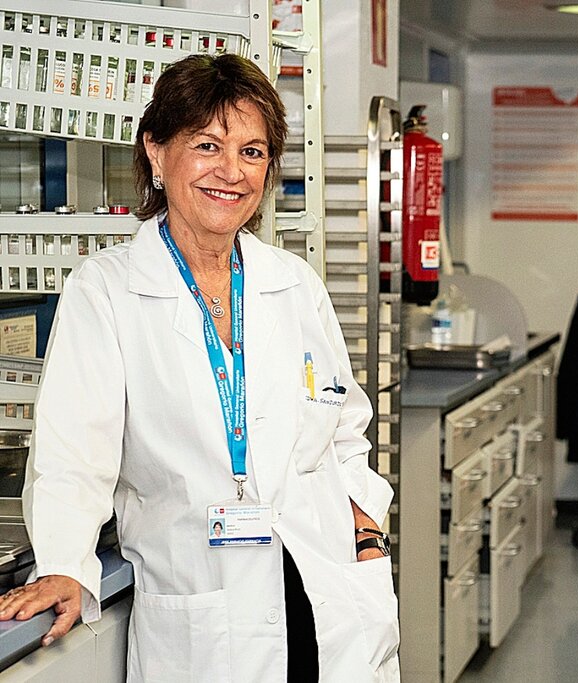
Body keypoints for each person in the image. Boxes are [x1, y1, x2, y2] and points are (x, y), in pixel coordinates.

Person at [0, 54, 399, 682]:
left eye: (252, 151)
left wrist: (365, 520)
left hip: (327, 598)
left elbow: (345, 427)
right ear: (157, 153)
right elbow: (73, 454)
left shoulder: (292, 284)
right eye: (207, 145)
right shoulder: (107, 292)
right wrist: (63, 564)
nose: (230, 172)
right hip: (205, 613)